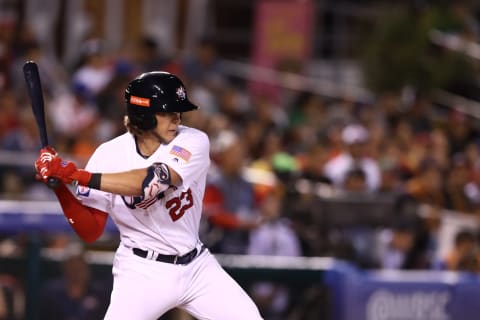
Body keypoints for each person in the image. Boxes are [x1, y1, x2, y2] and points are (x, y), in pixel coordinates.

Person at [34, 71, 263, 320]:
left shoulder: (194, 141)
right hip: (142, 271)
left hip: (197, 265)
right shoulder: (108, 155)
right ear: (142, 115)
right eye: (167, 112)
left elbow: (149, 182)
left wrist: (76, 175)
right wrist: (59, 186)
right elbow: (90, 231)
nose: (176, 119)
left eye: (179, 112)